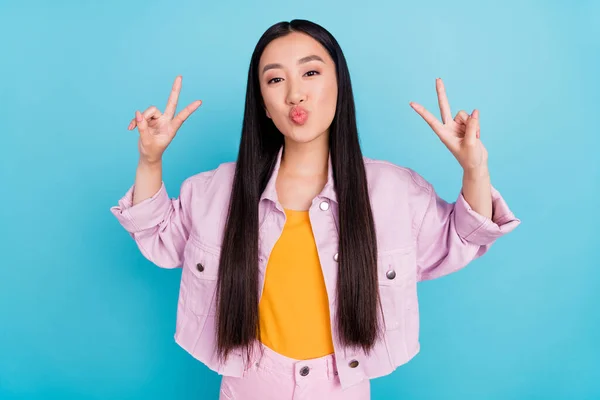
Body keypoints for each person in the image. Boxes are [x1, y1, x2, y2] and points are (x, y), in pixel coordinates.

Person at [111, 19, 520, 400]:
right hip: (248, 386)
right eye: (275, 79)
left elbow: (463, 236)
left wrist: (475, 167)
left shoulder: (394, 191)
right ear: (264, 106)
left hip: (342, 386)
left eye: (310, 72)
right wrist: (150, 160)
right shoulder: (216, 190)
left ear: (339, 85)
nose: (295, 93)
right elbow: (157, 235)